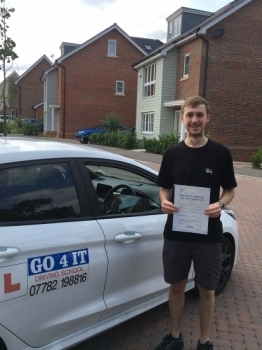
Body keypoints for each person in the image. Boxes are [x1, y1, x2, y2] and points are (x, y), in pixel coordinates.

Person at [155, 96, 237, 350]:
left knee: (206, 290)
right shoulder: (172, 153)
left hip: (209, 235)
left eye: (199, 115)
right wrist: (164, 201)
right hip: (177, 233)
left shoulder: (221, 153)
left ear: (207, 118)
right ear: (182, 118)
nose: (194, 120)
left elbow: (230, 190)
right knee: (176, 286)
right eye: (190, 115)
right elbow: (164, 189)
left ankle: (204, 342)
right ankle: (176, 336)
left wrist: (221, 205)